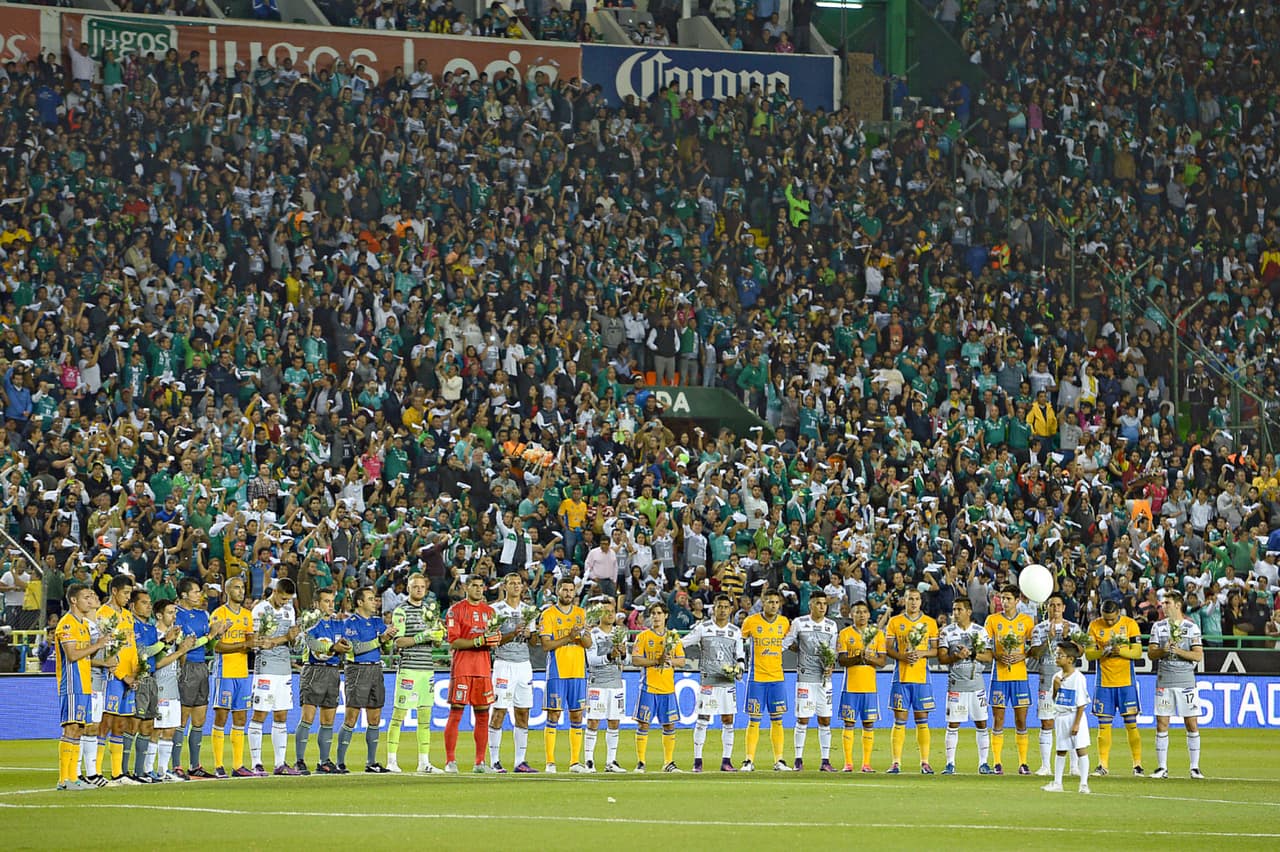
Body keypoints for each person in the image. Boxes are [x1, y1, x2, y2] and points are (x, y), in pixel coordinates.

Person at [55, 583, 112, 791]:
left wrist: (107, 644)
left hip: (85, 684)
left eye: (91, 597)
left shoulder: (84, 625)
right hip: (72, 684)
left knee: (79, 729)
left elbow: (88, 655)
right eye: (86, 597)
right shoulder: (67, 624)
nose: (90, 601)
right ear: (74, 600)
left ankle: (73, 778)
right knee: (71, 727)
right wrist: (98, 644)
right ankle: (64, 779)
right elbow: (72, 655)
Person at [387, 574, 445, 774]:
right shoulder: (401, 611)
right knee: (399, 715)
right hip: (409, 668)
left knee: (424, 717)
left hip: (427, 669)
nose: (419, 590)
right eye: (415, 586)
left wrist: (438, 636)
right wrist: (422, 636)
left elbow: (436, 643)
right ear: (409, 588)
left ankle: (424, 762)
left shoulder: (430, 611)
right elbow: (398, 641)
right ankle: (391, 761)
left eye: (422, 586)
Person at [337, 586, 399, 773]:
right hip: (357, 670)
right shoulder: (350, 623)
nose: (375, 602)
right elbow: (354, 648)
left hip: (375, 669)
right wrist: (381, 639)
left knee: (375, 718)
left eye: (375, 599)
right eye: (371, 599)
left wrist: (389, 638)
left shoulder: (377, 621)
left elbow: (386, 647)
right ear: (360, 602)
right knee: (351, 717)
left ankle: (371, 762)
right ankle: (340, 762)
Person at [681, 592, 745, 772]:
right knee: (703, 719)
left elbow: (739, 656)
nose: (723, 610)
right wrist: (671, 645)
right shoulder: (703, 628)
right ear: (713, 609)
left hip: (727, 683)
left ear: (731, 610)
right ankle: (697, 761)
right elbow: (684, 642)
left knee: (728, 720)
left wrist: (739, 669)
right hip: (708, 682)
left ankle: (726, 761)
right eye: (719, 607)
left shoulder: (735, 632)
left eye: (726, 607)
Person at [1147, 591, 1206, 779]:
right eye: (1163, 603)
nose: (1163, 606)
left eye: (1167, 602)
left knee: (1191, 723)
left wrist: (1178, 650)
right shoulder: (1158, 627)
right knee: (1162, 723)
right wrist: (1164, 650)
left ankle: (1194, 767)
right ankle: (1162, 767)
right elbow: (1151, 654)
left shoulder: (1191, 627)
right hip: (1165, 680)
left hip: (1186, 682)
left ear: (1178, 605)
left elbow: (1197, 655)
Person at [248, 578, 302, 776]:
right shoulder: (260, 610)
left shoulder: (289, 611)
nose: (285, 602)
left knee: (281, 715)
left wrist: (295, 638)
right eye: (283, 598)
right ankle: (257, 763)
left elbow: (291, 641)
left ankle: (280, 763)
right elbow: (257, 642)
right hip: (266, 667)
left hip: (284, 668)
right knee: (260, 714)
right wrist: (284, 638)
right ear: (275, 591)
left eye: (288, 599)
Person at [443, 575, 497, 773]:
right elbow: (454, 641)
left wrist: (496, 639)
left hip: (483, 670)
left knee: (483, 715)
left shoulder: (490, 612)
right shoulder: (456, 611)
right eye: (474, 586)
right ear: (466, 587)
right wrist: (479, 641)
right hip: (463, 669)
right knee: (456, 713)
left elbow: (492, 639)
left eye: (481, 586)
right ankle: (450, 761)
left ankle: (480, 763)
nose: (478, 589)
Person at [173, 577, 226, 779]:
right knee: (182, 718)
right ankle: (176, 765)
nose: (199, 595)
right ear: (185, 594)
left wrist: (219, 635)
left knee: (199, 719)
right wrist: (211, 636)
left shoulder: (202, 614)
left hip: (202, 667)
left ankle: (195, 765)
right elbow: (184, 646)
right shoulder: (178, 615)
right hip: (185, 668)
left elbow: (206, 646)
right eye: (195, 592)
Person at [295, 588, 351, 774]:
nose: (330, 605)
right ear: (316, 604)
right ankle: (300, 761)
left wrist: (347, 645)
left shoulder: (338, 625)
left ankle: (324, 762)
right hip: (313, 671)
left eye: (332, 601)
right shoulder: (309, 624)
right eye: (326, 601)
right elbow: (314, 646)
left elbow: (346, 644)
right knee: (308, 718)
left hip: (333, 673)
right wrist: (333, 647)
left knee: (328, 721)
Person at [1086, 599, 1144, 776]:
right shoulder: (1094, 626)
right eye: (1106, 619)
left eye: (1112, 619)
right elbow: (1089, 655)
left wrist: (1120, 652)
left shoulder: (1130, 624)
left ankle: (1137, 765)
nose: (1109, 622)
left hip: (1126, 683)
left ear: (1119, 612)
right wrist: (1103, 652)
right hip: (1104, 683)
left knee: (1131, 724)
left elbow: (1137, 652)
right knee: (1103, 725)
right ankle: (1103, 765)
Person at [539, 578, 592, 773]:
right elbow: (546, 645)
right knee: (554, 713)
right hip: (557, 671)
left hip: (578, 671)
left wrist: (581, 636)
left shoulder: (581, 614)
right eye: (565, 590)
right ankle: (550, 762)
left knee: (577, 714)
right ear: (557, 591)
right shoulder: (548, 615)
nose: (568, 593)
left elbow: (588, 644)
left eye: (571, 590)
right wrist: (568, 638)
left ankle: (575, 762)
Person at [487, 574, 538, 773]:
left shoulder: (529, 611)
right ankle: (494, 761)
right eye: (512, 583)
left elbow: (534, 644)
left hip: (524, 665)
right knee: (499, 710)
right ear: (505, 586)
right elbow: (493, 640)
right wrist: (513, 633)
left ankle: (520, 761)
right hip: (504, 664)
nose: (516, 586)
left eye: (519, 583)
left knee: (523, 712)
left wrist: (529, 634)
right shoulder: (496, 610)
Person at [938, 598, 994, 775]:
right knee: (953, 724)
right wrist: (956, 657)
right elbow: (942, 659)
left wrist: (971, 653)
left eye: (959, 609)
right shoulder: (946, 632)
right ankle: (950, 764)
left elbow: (989, 657)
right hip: (957, 685)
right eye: (954, 609)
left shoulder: (980, 631)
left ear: (968, 612)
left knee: (982, 723)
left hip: (976, 685)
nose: (955, 613)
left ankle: (983, 763)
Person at [784, 589, 839, 771]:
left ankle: (825, 760)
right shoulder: (799, 623)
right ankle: (798, 759)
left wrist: (831, 665)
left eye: (824, 604)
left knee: (825, 720)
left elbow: (832, 651)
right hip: (805, 677)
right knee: (803, 719)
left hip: (824, 679)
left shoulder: (831, 626)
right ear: (811, 605)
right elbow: (788, 642)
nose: (822, 607)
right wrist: (776, 652)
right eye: (818, 603)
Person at [885, 587, 938, 774]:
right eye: (910, 599)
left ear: (921, 601)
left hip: (922, 678)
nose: (913, 602)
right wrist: (902, 656)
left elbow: (936, 650)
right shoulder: (895, 622)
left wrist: (922, 652)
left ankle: (925, 762)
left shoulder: (930, 623)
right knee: (899, 720)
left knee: (922, 720)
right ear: (904, 601)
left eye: (916, 599)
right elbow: (888, 648)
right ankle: (896, 763)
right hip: (901, 677)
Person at [983, 584, 1034, 775]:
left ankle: (1023, 762)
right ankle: (997, 762)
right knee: (998, 720)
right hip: (999, 677)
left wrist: (1024, 655)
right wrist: (997, 655)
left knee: (1021, 721)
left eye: (1008, 599)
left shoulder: (1026, 621)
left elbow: (1035, 647)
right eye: (1002, 598)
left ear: (1017, 600)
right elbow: (985, 646)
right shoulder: (992, 620)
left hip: (1020, 676)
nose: (1004, 602)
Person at [631, 602, 686, 773]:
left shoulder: (673, 638)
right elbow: (636, 660)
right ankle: (641, 762)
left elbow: (682, 661)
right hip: (648, 687)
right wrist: (657, 661)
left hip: (667, 689)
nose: (655, 616)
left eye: (659, 613)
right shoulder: (644, 637)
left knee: (669, 726)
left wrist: (669, 661)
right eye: (653, 613)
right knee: (643, 724)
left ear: (666, 616)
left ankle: (668, 762)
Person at [1028, 593, 1080, 777]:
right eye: (1052, 605)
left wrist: (1067, 639)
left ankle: (1074, 766)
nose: (1055, 608)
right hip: (1047, 681)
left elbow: (1080, 652)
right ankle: (1045, 766)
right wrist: (1049, 639)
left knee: (1071, 723)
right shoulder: (1039, 629)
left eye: (1058, 605)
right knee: (1047, 722)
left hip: (1069, 683)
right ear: (1047, 608)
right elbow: (1034, 654)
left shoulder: (1073, 627)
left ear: (1064, 608)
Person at [741, 588, 791, 771]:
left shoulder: (784, 623)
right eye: (770, 602)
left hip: (777, 677)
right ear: (763, 602)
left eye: (777, 602)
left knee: (777, 719)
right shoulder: (751, 622)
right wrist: (740, 662)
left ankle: (779, 760)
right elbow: (740, 641)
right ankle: (748, 760)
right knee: (754, 720)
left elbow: (789, 642)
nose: (774, 605)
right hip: (757, 678)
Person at [210, 576, 256, 778]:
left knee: (241, 717)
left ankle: (238, 765)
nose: (241, 591)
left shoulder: (247, 615)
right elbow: (216, 646)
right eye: (236, 588)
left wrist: (255, 643)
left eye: (242, 588)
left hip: (243, 673)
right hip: (224, 672)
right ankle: (218, 765)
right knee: (221, 717)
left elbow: (249, 642)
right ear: (227, 591)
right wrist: (243, 646)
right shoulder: (219, 614)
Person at [147, 599, 197, 783]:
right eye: (170, 612)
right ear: (159, 615)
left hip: (173, 685)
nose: (174, 616)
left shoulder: (174, 633)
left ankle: (162, 770)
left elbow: (178, 662)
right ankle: (147, 769)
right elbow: (157, 663)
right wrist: (179, 650)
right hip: (159, 686)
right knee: (156, 730)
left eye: (175, 612)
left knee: (170, 730)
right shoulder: (155, 635)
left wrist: (184, 649)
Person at [98, 574, 140, 786]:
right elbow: (105, 650)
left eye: (130, 594)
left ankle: (117, 773)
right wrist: (123, 675)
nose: (127, 597)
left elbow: (130, 647)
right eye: (125, 593)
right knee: (106, 722)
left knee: (121, 724)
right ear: (114, 591)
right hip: (113, 677)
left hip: (129, 677)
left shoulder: (128, 615)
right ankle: (96, 772)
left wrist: (136, 672)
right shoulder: (103, 615)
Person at [836, 600, 886, 773]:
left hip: (869, 687)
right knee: (849, 724)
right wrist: (858, 658)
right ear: (851, 614)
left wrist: (868, 659)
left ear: (869, 614)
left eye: (864, 612)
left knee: (868, 725)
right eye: (857, 612)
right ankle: (848, 763)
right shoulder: (844, 634)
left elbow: (882, 661)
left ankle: (866, 763)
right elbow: (841, 660)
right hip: (850, 687)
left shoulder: (877, 634)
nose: (861, 615)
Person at [584, 596, 628, 773]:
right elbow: (591, 660)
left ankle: (611, 761)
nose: (610, 615)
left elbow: (628, 660)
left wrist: (624, 654)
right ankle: (589, 761)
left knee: (614, 722)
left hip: (616, 683)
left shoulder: (620, 633)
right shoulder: (593, 634)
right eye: (606, 612)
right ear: (599, 614)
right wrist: (609, 656)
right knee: (594, 721)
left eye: (612, 612)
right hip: (598, 683)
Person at [1042, 640, 1092, 794]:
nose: (1056, 657)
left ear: (1070, 659)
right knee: (1061, 750)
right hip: (1061, 716)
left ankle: (1084, 784)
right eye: (1056, 654)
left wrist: (1077, 723)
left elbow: (1081, 703)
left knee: (1080, 749)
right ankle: (1058, 783)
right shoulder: (1056, 676)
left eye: (1060, 655)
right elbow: (1054, 698)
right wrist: (1056, 688)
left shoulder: (1078, 678)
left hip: (1074, 716)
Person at [128, 589, 163, 783]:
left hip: (151, 678)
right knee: (134, 724)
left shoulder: (150, 628)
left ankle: (140, 771)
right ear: (133, 605)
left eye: (150, 602)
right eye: (144, 603)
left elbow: (156, 657)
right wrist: (165, 642)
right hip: (137, 678)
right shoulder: (131, 626)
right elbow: (142, 651)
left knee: (148, 725)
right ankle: (125, 771)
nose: (149, 606)